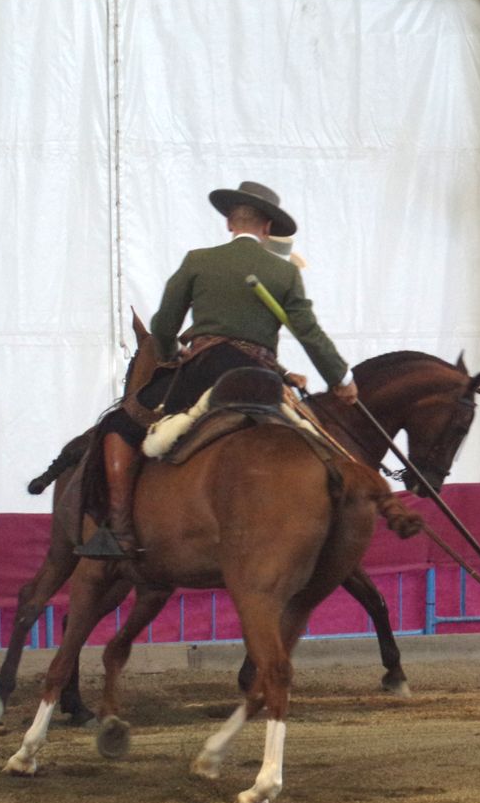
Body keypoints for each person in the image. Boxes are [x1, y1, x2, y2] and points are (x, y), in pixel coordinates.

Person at [76, 181, 357, 559]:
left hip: (203, 372)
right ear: (268, 228)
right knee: (312, 433)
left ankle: (121, 532)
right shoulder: (284, 273)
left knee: (119, 425)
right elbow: (308, 332)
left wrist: (169, 353)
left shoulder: (198, 261)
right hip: (260, 378)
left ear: (229, 223)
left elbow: (162, 326)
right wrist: (341, 380)